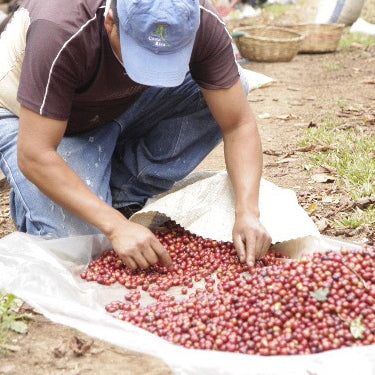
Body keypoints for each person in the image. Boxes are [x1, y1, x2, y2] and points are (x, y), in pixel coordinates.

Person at [0, 0, 271, 271]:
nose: (154, 71)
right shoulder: (60, 28)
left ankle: (117, 192)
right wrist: (116, 226)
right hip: (26, 113)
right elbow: (35, 154)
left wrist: (248, 211)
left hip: (110, 103)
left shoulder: (197, 19)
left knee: (231, 88)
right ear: (110, 23)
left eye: (167, 59)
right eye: (143, 56)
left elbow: (237, 123)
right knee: (77, 246)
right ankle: (38, 195)